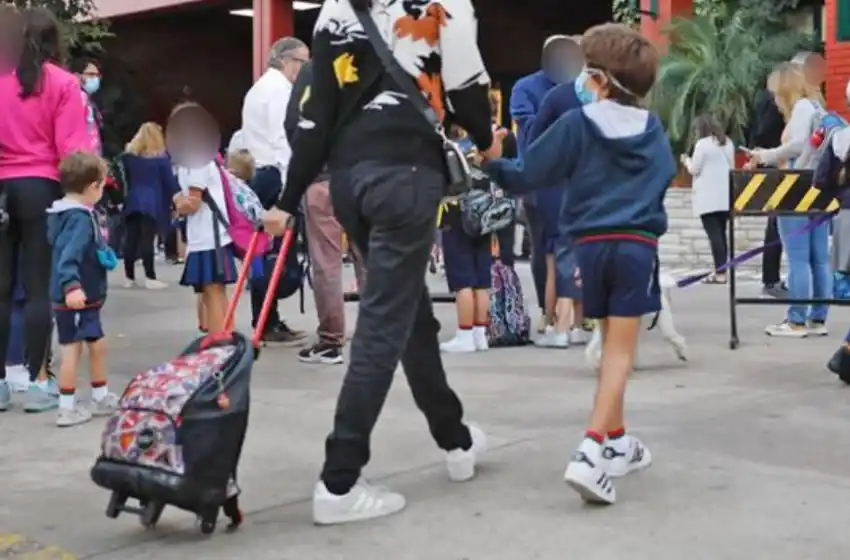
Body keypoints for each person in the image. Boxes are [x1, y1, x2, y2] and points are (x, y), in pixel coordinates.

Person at [262, 0, 504, 524]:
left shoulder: (337, 8)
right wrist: (486, 142)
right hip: (406, 175)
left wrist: (287, 198)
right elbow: (464, 89)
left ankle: (456, 441)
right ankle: (339, 481)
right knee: (381, 326)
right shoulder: (447, 4)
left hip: (350, 181)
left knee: (410, 315)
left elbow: (314, 112)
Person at [485, 23, 667, 504]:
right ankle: (590, 450)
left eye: (587, 70)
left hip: (588, 246)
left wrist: (489, 164)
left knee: (609, 343)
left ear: (602, 80)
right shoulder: (652, 129)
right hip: (634, 246)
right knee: (620, 353)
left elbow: (529, 172)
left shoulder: (575, 125)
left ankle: (617, 441)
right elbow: (664, 176)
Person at [0, 7, 95, 412]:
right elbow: (73, 152)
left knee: (1, 290)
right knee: (40, 287)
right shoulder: (63, 84)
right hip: (43, 188)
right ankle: (39, 384)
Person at [284, 59, 365, 365]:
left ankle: (331, 341)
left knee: (326, 261)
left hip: (323, 178)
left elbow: (294, 121)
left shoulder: (313, 71)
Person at [748, 62, 831, 338]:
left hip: (795, 187)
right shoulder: (819, 108)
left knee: (797, 257)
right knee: (819, 258)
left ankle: (796, 319)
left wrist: (766, 155)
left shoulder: (801, 109)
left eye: (775, 91)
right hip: (819, 187)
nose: (774, 98)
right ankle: (818, 318)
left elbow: (797, 146)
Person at [240, 37, 310, 344]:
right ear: (284, 59)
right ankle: (267, 319)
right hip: (275, 175)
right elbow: (283, 140)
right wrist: (292, 186)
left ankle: (268, 318)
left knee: (267, 252)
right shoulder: (280, 91)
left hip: (263, 173)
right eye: (301, 62)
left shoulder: (260, 88)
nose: (304, 69)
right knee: (280, 256)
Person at [510, 35, 581, 333]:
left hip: (577, 179)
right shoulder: (525, 87)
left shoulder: (584, 87)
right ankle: (548, 311)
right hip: (540, 181)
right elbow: (529, 129)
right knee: (544, 249)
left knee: (575, 248)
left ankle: (577, 315)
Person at [47, 152, 118, 427]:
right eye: (102, 186)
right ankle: (67, 407)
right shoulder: (79, 219)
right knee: (73, 350)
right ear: (92, 187)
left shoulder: (66, 214)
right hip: (78, 298)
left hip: (83, 298)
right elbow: (68, 256)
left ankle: (99, 396)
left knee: (95, 346)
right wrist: (72, 287)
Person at [439, 127, 492, 354]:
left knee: (462, 279)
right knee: (481, 279)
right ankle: (481, 334)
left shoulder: (447, 144)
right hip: (483, 211)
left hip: (455, 211)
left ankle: (465, 334)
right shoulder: (484, 140)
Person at [120, 122, 178, 289]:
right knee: (147, 239)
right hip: (152, 202)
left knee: (130, 239)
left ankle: (129, 277)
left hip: (132, 199)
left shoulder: (128, 158)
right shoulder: (161, 159)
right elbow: (169, 183)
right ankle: (150, 277)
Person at [681, 116, 735, 283]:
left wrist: (686, 160)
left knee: (714, 235)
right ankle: (723, 271)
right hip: (725, 196)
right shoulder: (728, 142)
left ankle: (720, 274)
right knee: (721, 234)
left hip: (708, 197)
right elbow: (732, 167)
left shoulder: (702, 144)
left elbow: (695, 169)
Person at [750, 71, 787, 297]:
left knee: (777, 225)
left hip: (775, 165)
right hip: (776, 168)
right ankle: (770, 279)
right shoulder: (774, 103)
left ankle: (771, 279)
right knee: (775, 225)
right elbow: (762, 132)